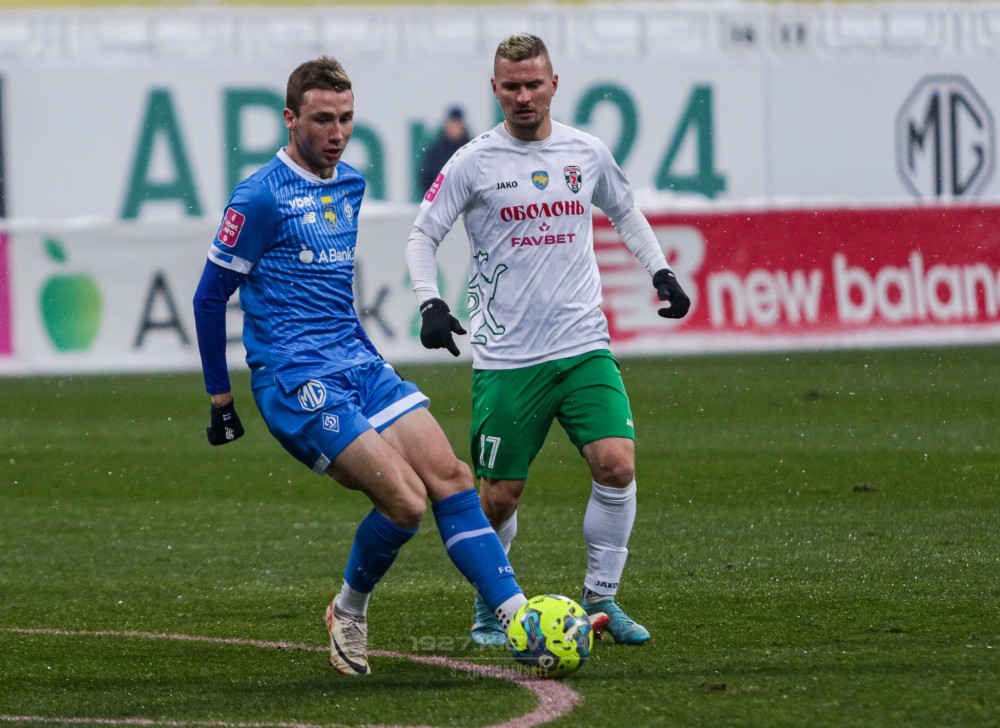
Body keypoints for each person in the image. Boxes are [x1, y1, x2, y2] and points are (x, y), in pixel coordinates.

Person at [191, 56, 529, 675]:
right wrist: (221, 398)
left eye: (346, 118)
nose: (337, 132)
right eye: (323, 119)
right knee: (405, 502)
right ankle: (348, 610)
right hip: (297, 379)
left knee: (453, 477)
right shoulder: (259, 196)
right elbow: (209, 297)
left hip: (358, 362)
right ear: (290, 119)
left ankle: (519, 617)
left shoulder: (350, 184)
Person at [405, 34, 691, 646]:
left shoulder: (586, 151)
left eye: (533, 84)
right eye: (511, 86)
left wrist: (661, 271)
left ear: (554, 84)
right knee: (500, 497)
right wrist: (430, 301)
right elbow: (423, 234)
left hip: (583, 345)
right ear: (495, 89)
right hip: (508, 358)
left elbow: (625, 211)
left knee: (616, 463)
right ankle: (493, 604)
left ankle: (602, 599)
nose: (523, 96)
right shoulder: (474, 161)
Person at [419, 106, 471, 194]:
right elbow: (425, 178)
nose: (454, 128)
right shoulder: (435, 152)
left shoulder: (472, 149)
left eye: (457, 124)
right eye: (452, 124)